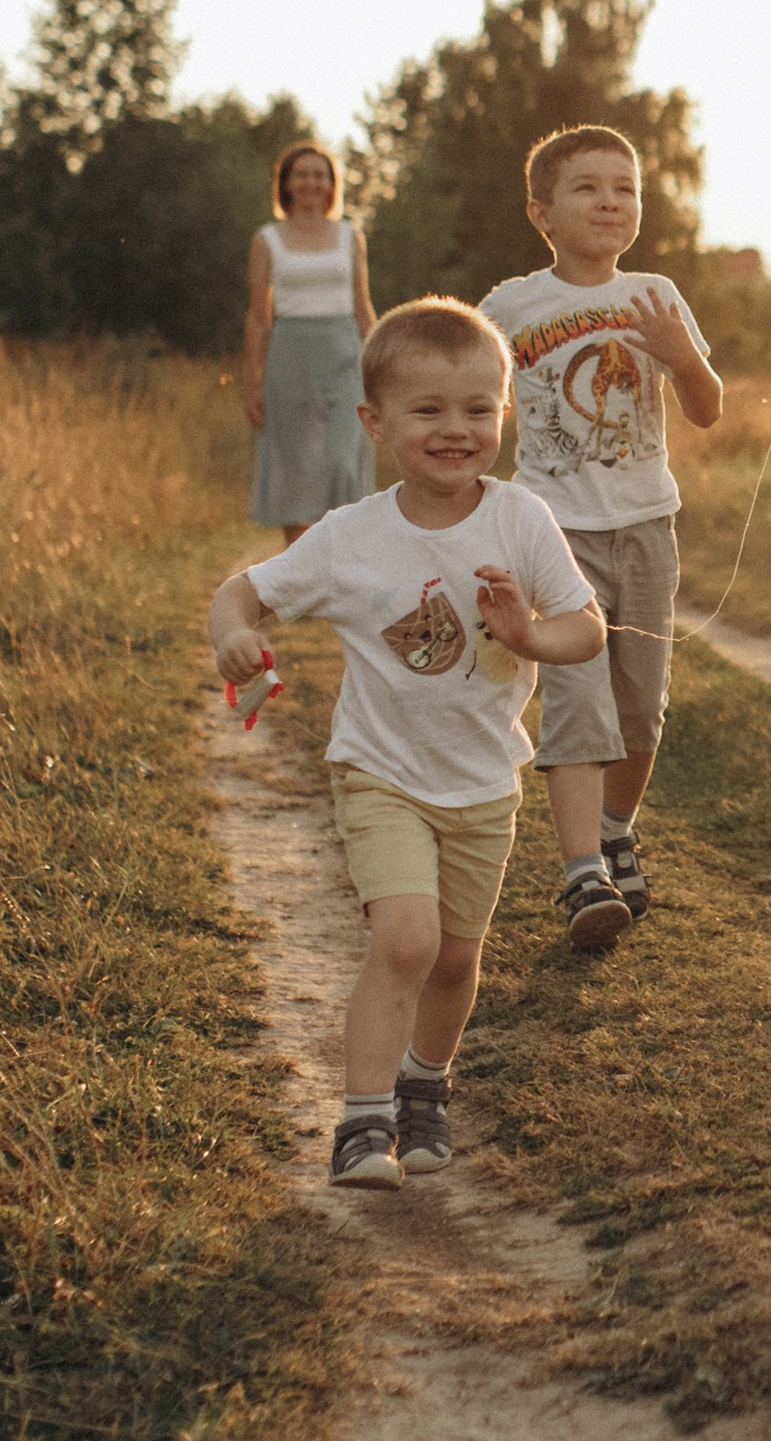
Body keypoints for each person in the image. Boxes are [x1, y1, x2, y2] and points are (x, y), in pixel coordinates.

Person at [207, 297, 608, 1187]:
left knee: (458, 958)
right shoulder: (352, 536)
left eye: (477, 409)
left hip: (482, 782)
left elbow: (587, 627)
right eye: (427, 411)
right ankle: (361, 1120)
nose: (455, 430)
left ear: (503, 412)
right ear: (375, 422)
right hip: (381, 774)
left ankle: (426, 1086)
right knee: (406, 940)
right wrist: (232, 635)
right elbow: (241, 591)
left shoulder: (520, 521)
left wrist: (533, 636)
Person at [478, 125, 723, 953]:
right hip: (552, 529)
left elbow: (708, 406)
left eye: (626, 186)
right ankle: (583, 872)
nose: (611, 200)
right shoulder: (510, 307)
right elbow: (471, 396)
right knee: (578, 702)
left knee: (639, 709)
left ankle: (617, 830)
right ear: (541, 212)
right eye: (588, 187)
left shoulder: (656, 295)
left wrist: (682, 356)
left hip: (646, 526)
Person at [245, 140, 376, 544]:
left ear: (331, 184)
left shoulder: (350, 236)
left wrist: (380, 370)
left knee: (342, 461)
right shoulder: (267, 238)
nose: (310, 182)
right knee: (296, 465)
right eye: (301, 174)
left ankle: (345, 565)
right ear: (285, 183)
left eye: (319, 174)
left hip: (344, 354)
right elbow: (256, 314)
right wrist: (253, 381)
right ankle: (300, 573)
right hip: (289, 354)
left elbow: (363, 308)